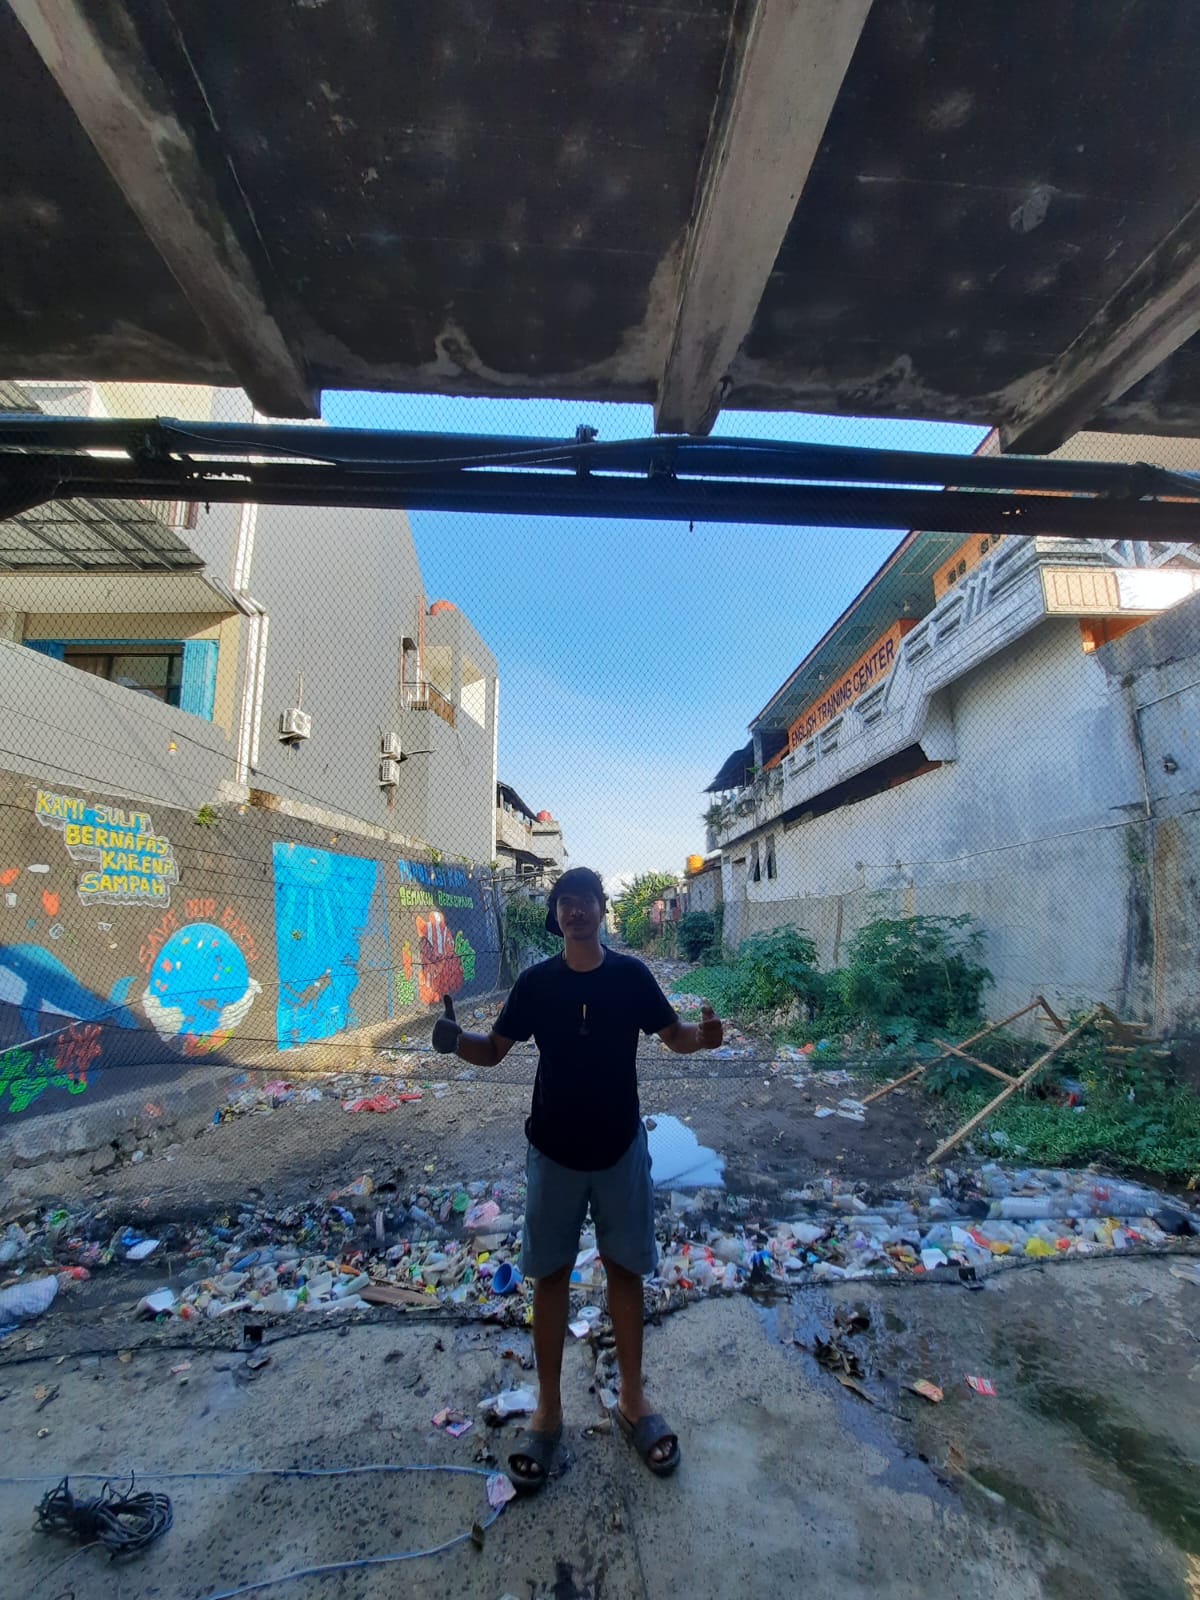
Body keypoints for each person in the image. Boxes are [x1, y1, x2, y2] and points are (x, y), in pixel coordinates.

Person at [432, 865, 723, 1490]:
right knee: (551, 1278)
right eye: (565, 902)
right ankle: (548, 1410)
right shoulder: (537, 984)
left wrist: (706, 1037)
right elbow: (494, 1050)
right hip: (555, 1152)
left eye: (585, 900)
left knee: (625, 1271)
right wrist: (455, 1040)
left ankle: (634, 1402)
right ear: (556, 913)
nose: (575, 911)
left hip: (619, 1150)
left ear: (601, 909)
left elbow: (673, 1036)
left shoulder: (631, 976)